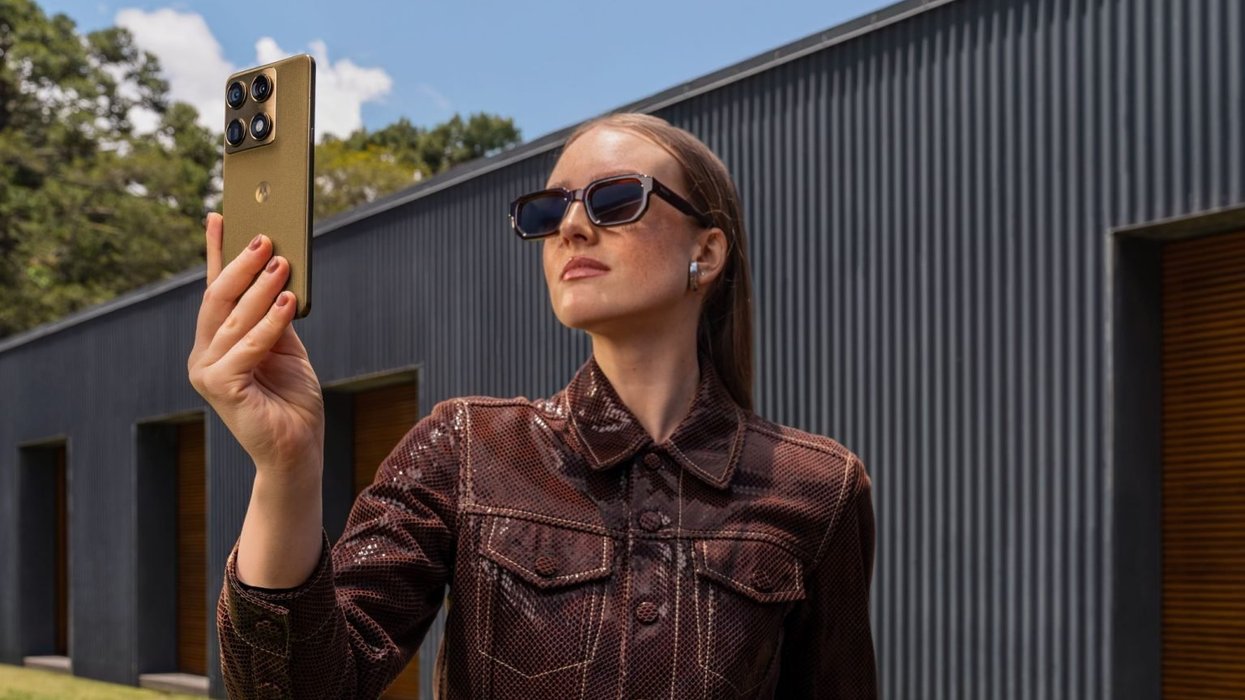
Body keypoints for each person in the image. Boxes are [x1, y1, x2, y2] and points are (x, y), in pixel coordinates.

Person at [188, 112, 877, 699]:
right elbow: (300, 687)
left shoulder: (819, 487)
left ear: (707, 249)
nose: (571, 228)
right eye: (549, 211)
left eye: (613, 201)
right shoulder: (465, 447)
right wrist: (285, 468)